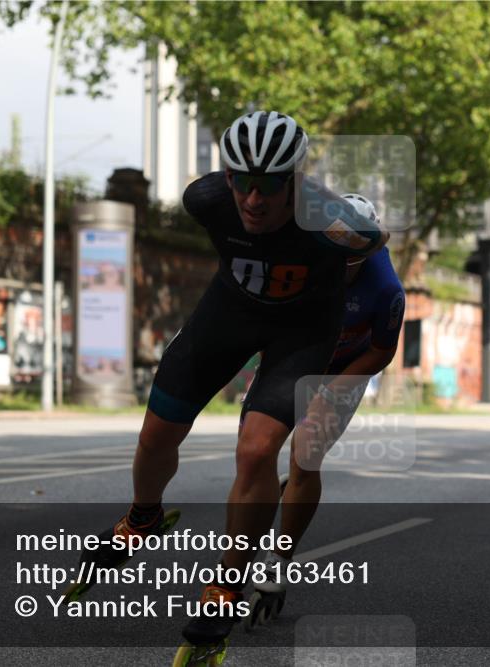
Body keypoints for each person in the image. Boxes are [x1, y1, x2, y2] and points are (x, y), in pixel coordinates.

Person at [74, 111, 389, 657]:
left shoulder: (333, 223)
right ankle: (144, 514)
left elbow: (375, 238)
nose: (254, 199)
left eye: (270, 185)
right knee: (155, 435)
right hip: (229, 314)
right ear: (226, 177)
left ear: (295, 181)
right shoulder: (205, 199)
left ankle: (225, 586)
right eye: (241, 181)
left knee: (256, 450)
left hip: (303, 330)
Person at [241, 194, 406, 627]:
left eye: (350, 258)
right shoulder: (300, 260)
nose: (339, 264)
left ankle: (278, 560)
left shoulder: (386, 289)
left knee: (305, 452)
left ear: (368, 251)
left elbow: (382, 352)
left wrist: (332, 389)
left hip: (348, 366)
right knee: (254, 451)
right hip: (296, 354)